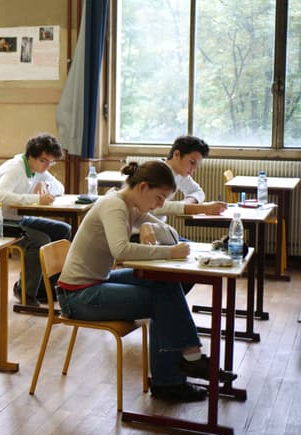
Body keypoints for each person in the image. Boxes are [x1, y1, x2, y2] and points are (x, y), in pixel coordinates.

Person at [56, 160, 237, 402]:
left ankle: (181, 369)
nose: (161, 204)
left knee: (166, 281)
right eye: (159, 197)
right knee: (160, 299)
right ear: (143, 187)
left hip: (98, 282)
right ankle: (179, 370)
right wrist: (168, 253)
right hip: (78, 295)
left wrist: (150, 223)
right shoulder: (114, 206)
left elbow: (170, 234)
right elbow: (121, 251)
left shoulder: (131, 206)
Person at [0, 133, 71, 303]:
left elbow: (60, 188)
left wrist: (45, 184)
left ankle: (44, 288)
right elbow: (0, 197)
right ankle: (25, 291)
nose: (47, 166)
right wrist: (36, 199)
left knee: (63, 230)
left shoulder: (37, 168)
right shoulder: (16, 168)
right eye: (44, 161)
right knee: (39, 240)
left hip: (16, 218)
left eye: (51, 162)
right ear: (31, 156)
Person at [132, 135, 226, 244]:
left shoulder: (180, 174)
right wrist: (203, 209)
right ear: (177, 154)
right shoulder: (158, 171)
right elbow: (157, 207)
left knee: (198, 249)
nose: (194, 169)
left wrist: (188, 202)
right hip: (141, 234)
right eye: (192, 162)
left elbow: (198, 191)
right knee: (194, 251)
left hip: (159, 232)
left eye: (197, 165)